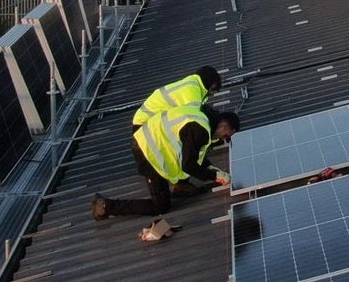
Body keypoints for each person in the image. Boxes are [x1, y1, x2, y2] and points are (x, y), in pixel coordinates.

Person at [92, 71, 241, 221]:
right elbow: (188, 165)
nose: (224, 139)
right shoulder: (200, 128)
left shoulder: (204, 119)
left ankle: (180, 187)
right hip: (147, 150)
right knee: (160, 206)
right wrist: (214, 176)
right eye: (227, 135)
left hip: (151, 142)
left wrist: (211, 168)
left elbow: (196, 155)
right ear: (223, 126)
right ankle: (106, 206)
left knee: (183, 167)